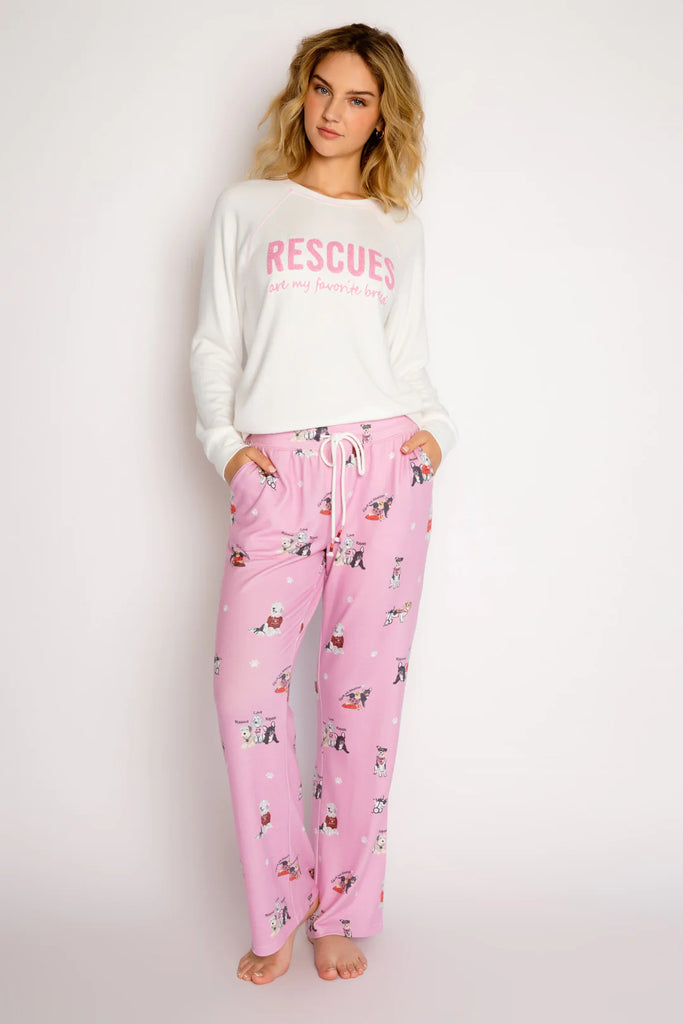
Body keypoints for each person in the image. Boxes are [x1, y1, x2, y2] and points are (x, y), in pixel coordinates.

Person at [189, 22, 458, 985]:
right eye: (321, 89)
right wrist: (230, 454)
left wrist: (435, 435)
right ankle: (279, 906)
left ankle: (339, 910)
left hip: (384, 469)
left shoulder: (396, 229)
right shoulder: (247, 207)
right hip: (278, 475)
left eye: (357, 98)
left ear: (383, 116)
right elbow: (215, 343)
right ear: (300, 93)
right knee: (244, 693)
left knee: (361, 704)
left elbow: (408, 362)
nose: (333, 112)